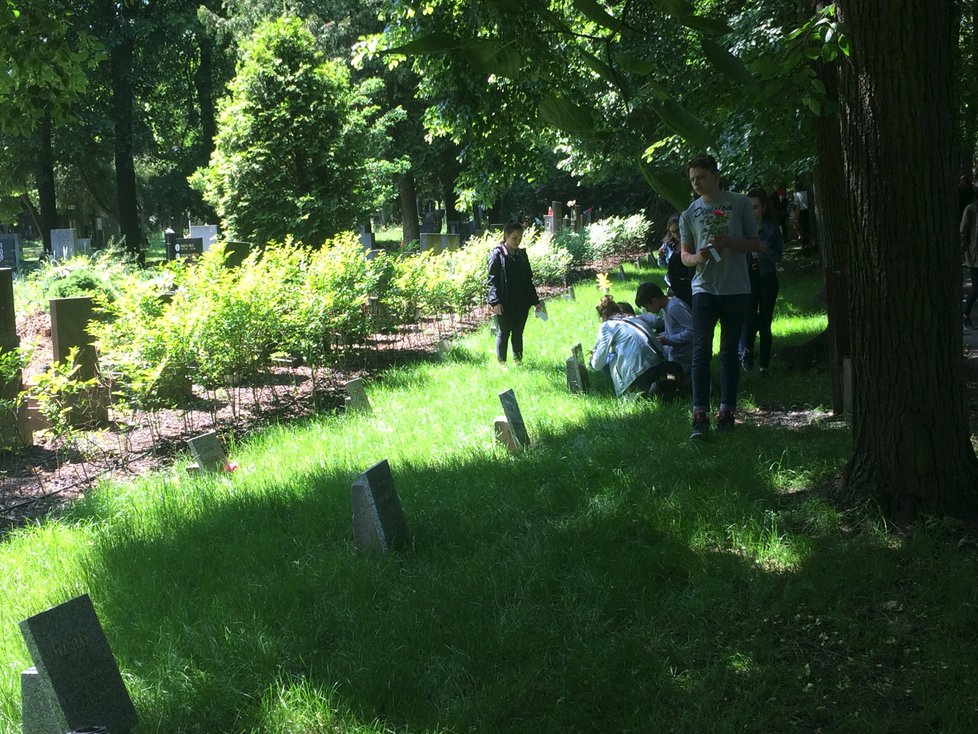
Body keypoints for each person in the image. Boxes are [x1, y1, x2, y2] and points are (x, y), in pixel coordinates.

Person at [679, 154, 763, 439]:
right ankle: (699, 414)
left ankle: (727, 411)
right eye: (692, 180)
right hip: (703, 289)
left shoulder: (739, 203)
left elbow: (756, 243)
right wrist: (696, 258)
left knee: (729, 352)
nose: (696, 183)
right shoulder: (689, 213)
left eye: (701, 177)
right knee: (700, 351)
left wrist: (730, 242)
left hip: (736, 288)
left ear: (716, 175)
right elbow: (685, 256)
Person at [740, 189, 784, 373]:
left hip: (767, 279)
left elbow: (778, 257)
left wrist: (763, 248)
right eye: (749, 208)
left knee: (765, 323)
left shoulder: (772, 229)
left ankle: (764, 365)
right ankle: (747, 351)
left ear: (764, 208)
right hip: (748, 279)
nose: (752, 211)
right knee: (750, 321)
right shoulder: (742, 230)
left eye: (756, 207)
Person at [588, 296, 668, 397]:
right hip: (661, 365)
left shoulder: (607, 326)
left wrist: (593, 358)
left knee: (609, 359)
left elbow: (598, 364)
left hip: (641, 372)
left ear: (602, 317)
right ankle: (654, 387)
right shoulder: (634, 318)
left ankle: (633, 392)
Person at [487, 221, 542, 365]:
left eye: (520, 238)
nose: (517, 241)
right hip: (504, 301)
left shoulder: (522, 255)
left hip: (521, 301)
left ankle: (518, 361)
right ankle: (502, 363)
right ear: (506, 236)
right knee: (504, 332)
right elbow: (492, 280)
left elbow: (528, 280)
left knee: (518, 333)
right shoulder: (496, 254)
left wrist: (535, 301)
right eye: (514, 238)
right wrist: (495, 301)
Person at [635, 281, 693, 382]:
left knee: (661, 382)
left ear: (654, 301)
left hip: (685, 358)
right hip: (676, 354)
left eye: (647, 307)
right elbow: (672, 331)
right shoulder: (667, 308)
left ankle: (686, 382)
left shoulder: (674, 307)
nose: (648, 311)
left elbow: (693, 331)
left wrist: (668, 339)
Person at [656, 214, 694, 307]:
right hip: (674, 286)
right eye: (673, 232)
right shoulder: (668, 245)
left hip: (691, 284)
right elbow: (664, 266)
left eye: (678, 230)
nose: (677, 234)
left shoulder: (693, 242)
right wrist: (661, 257)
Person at [960, 191, 978, 328]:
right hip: (974, 255)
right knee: (977, 287)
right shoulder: (970, 209)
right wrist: (963, 250)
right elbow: (964, 231)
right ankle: (965, 315)